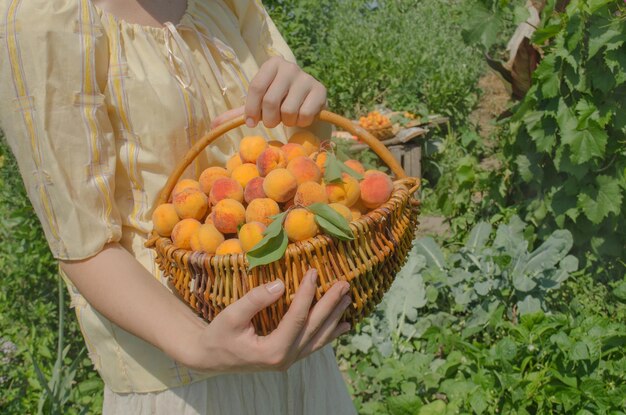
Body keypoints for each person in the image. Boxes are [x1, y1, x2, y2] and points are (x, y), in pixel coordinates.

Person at [0, 0, 357, 413]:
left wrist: (305, 109)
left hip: (300, 356)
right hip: (188, 387)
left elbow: (293, 159)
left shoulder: (227, 4)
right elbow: (84, 242)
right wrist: (198, 345)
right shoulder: (43, 17)